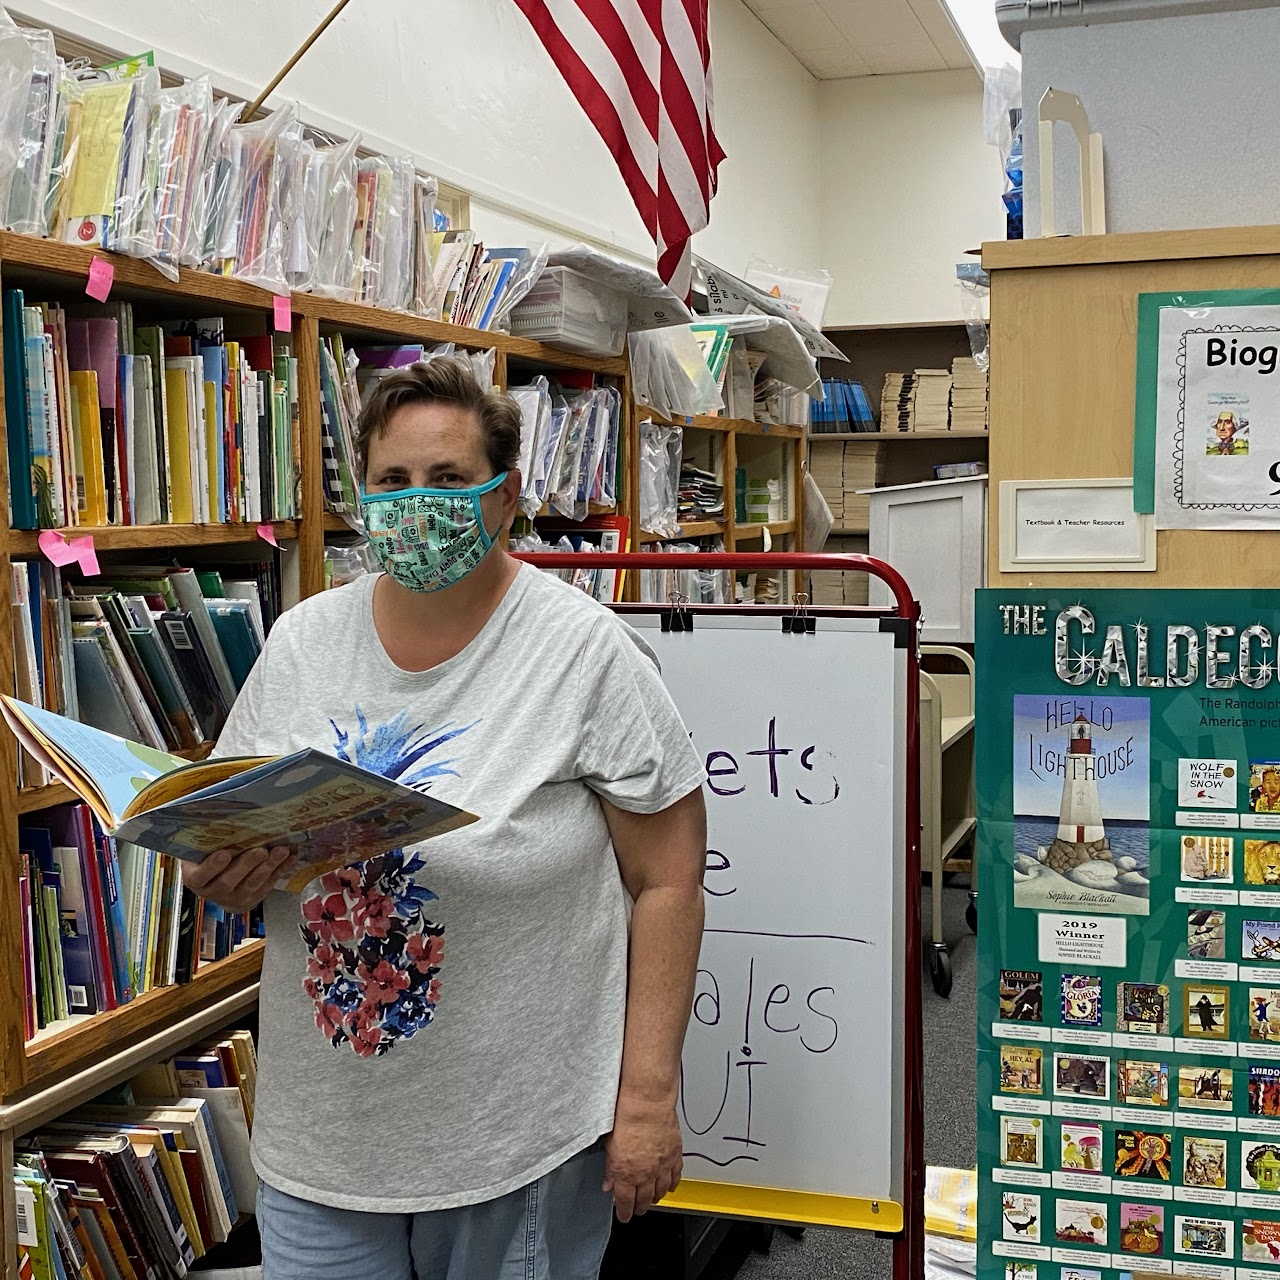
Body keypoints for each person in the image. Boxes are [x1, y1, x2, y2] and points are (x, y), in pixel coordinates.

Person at [182, 358, 709, 1280]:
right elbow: (235, 826)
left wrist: (649, 1096)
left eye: (449, 480)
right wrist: (218, 871)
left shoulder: (583, 653)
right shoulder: (304, 641)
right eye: (392, 481)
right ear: (361, 495)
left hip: (516, 1143)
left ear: (505, 500)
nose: (415, 504)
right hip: (326, 1141)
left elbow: (667, 881)